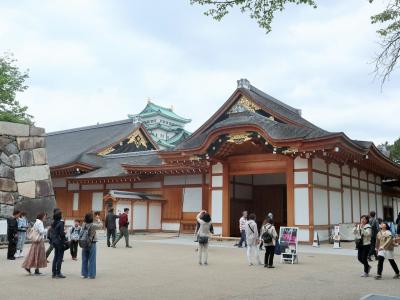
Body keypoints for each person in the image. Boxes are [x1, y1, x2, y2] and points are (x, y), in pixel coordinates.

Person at [81, 212, 103, 279]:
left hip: (84, 243)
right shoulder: (93, 225)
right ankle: (91, 274)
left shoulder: (83, 224)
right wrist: (98, 219)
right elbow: (101, 225)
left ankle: (84, 274)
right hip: (92, 243)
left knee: (84, 259)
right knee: (92, 259)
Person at [51, 210, 66, 278]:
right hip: (60, 242)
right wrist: (65, 233)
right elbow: (61, 234)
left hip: (54, 241)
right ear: (60, 216)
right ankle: (58, 272)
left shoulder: (54, 223)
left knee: (55, 257)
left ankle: (54, 273)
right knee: (60, 257)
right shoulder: (61, 223)